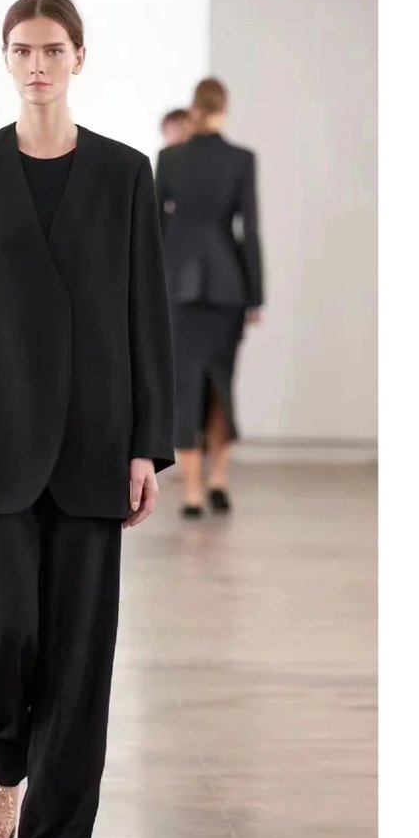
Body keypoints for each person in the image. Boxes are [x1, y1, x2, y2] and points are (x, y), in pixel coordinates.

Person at [0, 0, 174, 838]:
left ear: (79, 58)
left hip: (96, 438)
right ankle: (5, 763)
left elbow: (147, 316)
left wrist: (147, 445)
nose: (38, 64)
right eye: (23, 49)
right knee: (4, 623)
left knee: (80, 648)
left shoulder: (125, 173)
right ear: (6, 59)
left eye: (53, 49)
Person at [155, 77, 263, 518]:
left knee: (183, 386)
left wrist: (151, 287)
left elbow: (154, 228)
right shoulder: (241, 159)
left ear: (194, 109)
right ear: (224, 109)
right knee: (222, 382)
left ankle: (193, 492)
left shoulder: (170, 158)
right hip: (227, 285)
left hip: (177, 285)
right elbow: (249, 230)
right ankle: (218, 479)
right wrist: (256, 296)